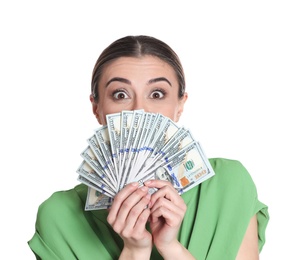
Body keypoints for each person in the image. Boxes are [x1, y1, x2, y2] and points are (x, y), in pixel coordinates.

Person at [28, 35, 269, 259]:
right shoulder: (59, 217)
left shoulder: (228, 186)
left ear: (180, 105)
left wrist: (171, 248)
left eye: (157, 93)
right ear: (97, 108)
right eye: (120, 94)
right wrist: (135, 251)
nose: (139, 111)